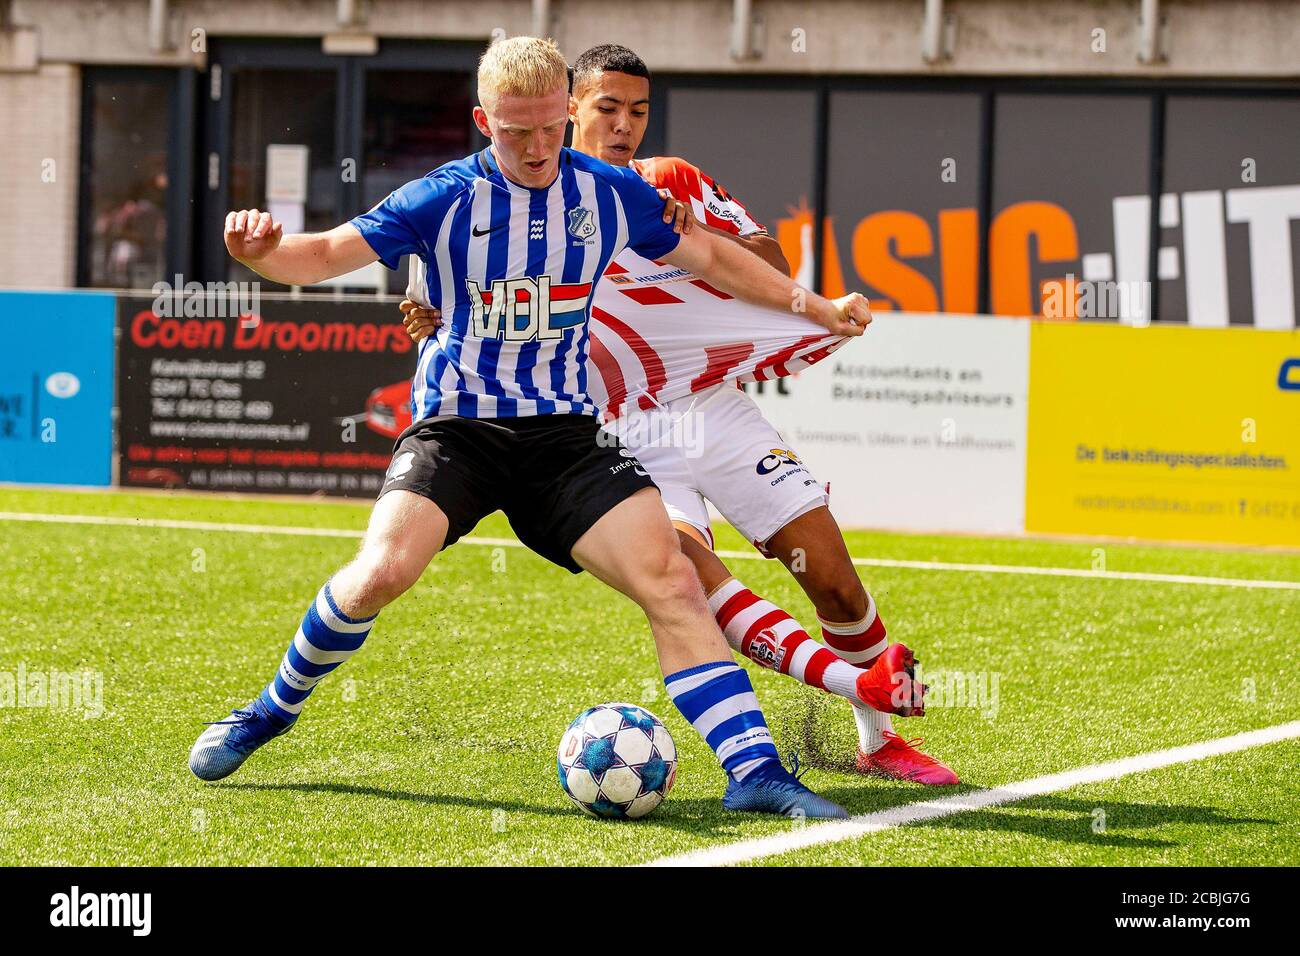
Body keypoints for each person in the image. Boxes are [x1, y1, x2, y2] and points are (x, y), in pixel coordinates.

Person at [189, 36, 914, 820]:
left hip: (568, 438)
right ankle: (269, 710)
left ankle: (759, 774)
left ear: (563, 117)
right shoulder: (440, 197)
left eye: (548, 131)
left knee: (671, 582)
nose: (537, 150)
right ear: (482, 121)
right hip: (458, 431)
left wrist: (819, 308)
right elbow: (325, 253)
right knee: (381, 574)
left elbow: (719, 260)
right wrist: (261, 253)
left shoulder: (610, 192)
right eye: (515, 132)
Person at [401, 44, 957, 784]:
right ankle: (850, 695)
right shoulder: (487, 205)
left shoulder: (666, 181)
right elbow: (438, 309)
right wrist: (426, 317)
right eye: (607, 108)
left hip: (709, 407)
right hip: (612, 432)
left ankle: (877, 740)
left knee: (832, 577)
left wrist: (693, 226)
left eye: (638, 110)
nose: (625, 125)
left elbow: (768, 258)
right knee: (695, 581)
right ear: (567, 111)